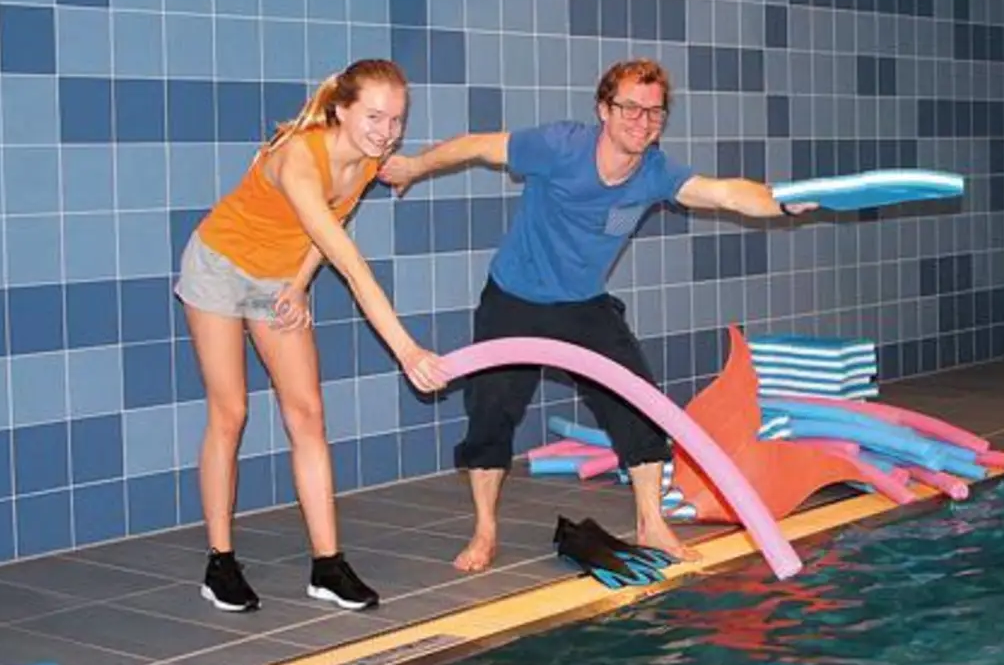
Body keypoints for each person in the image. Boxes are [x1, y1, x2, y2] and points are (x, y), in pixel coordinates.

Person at [377, 58, 816, 572]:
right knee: (491, 413)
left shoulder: (655, 172)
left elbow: (722, 192)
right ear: (604, 110)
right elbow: (477, 144)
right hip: (514, 297)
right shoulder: (561, 146)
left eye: (654, 112)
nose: (642, 120)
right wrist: (412, 166)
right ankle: (485, 530)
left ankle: (652, 522)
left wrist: (780, 202)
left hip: (583, 304)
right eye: (630, 108)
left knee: (638, 404)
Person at [175, 59, 448, 613]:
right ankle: (220, 562)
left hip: (277, 277)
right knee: (230, 412)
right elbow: (350, 263)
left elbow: (329, 227)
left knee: (308, 414)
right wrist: (407, 349)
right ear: (341, 110)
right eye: (374, 116)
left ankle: (328, 565)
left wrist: (298, 285)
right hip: (219, 266)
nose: (385, 131)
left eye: (396, 120)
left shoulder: (371, 161)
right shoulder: (301, 157)